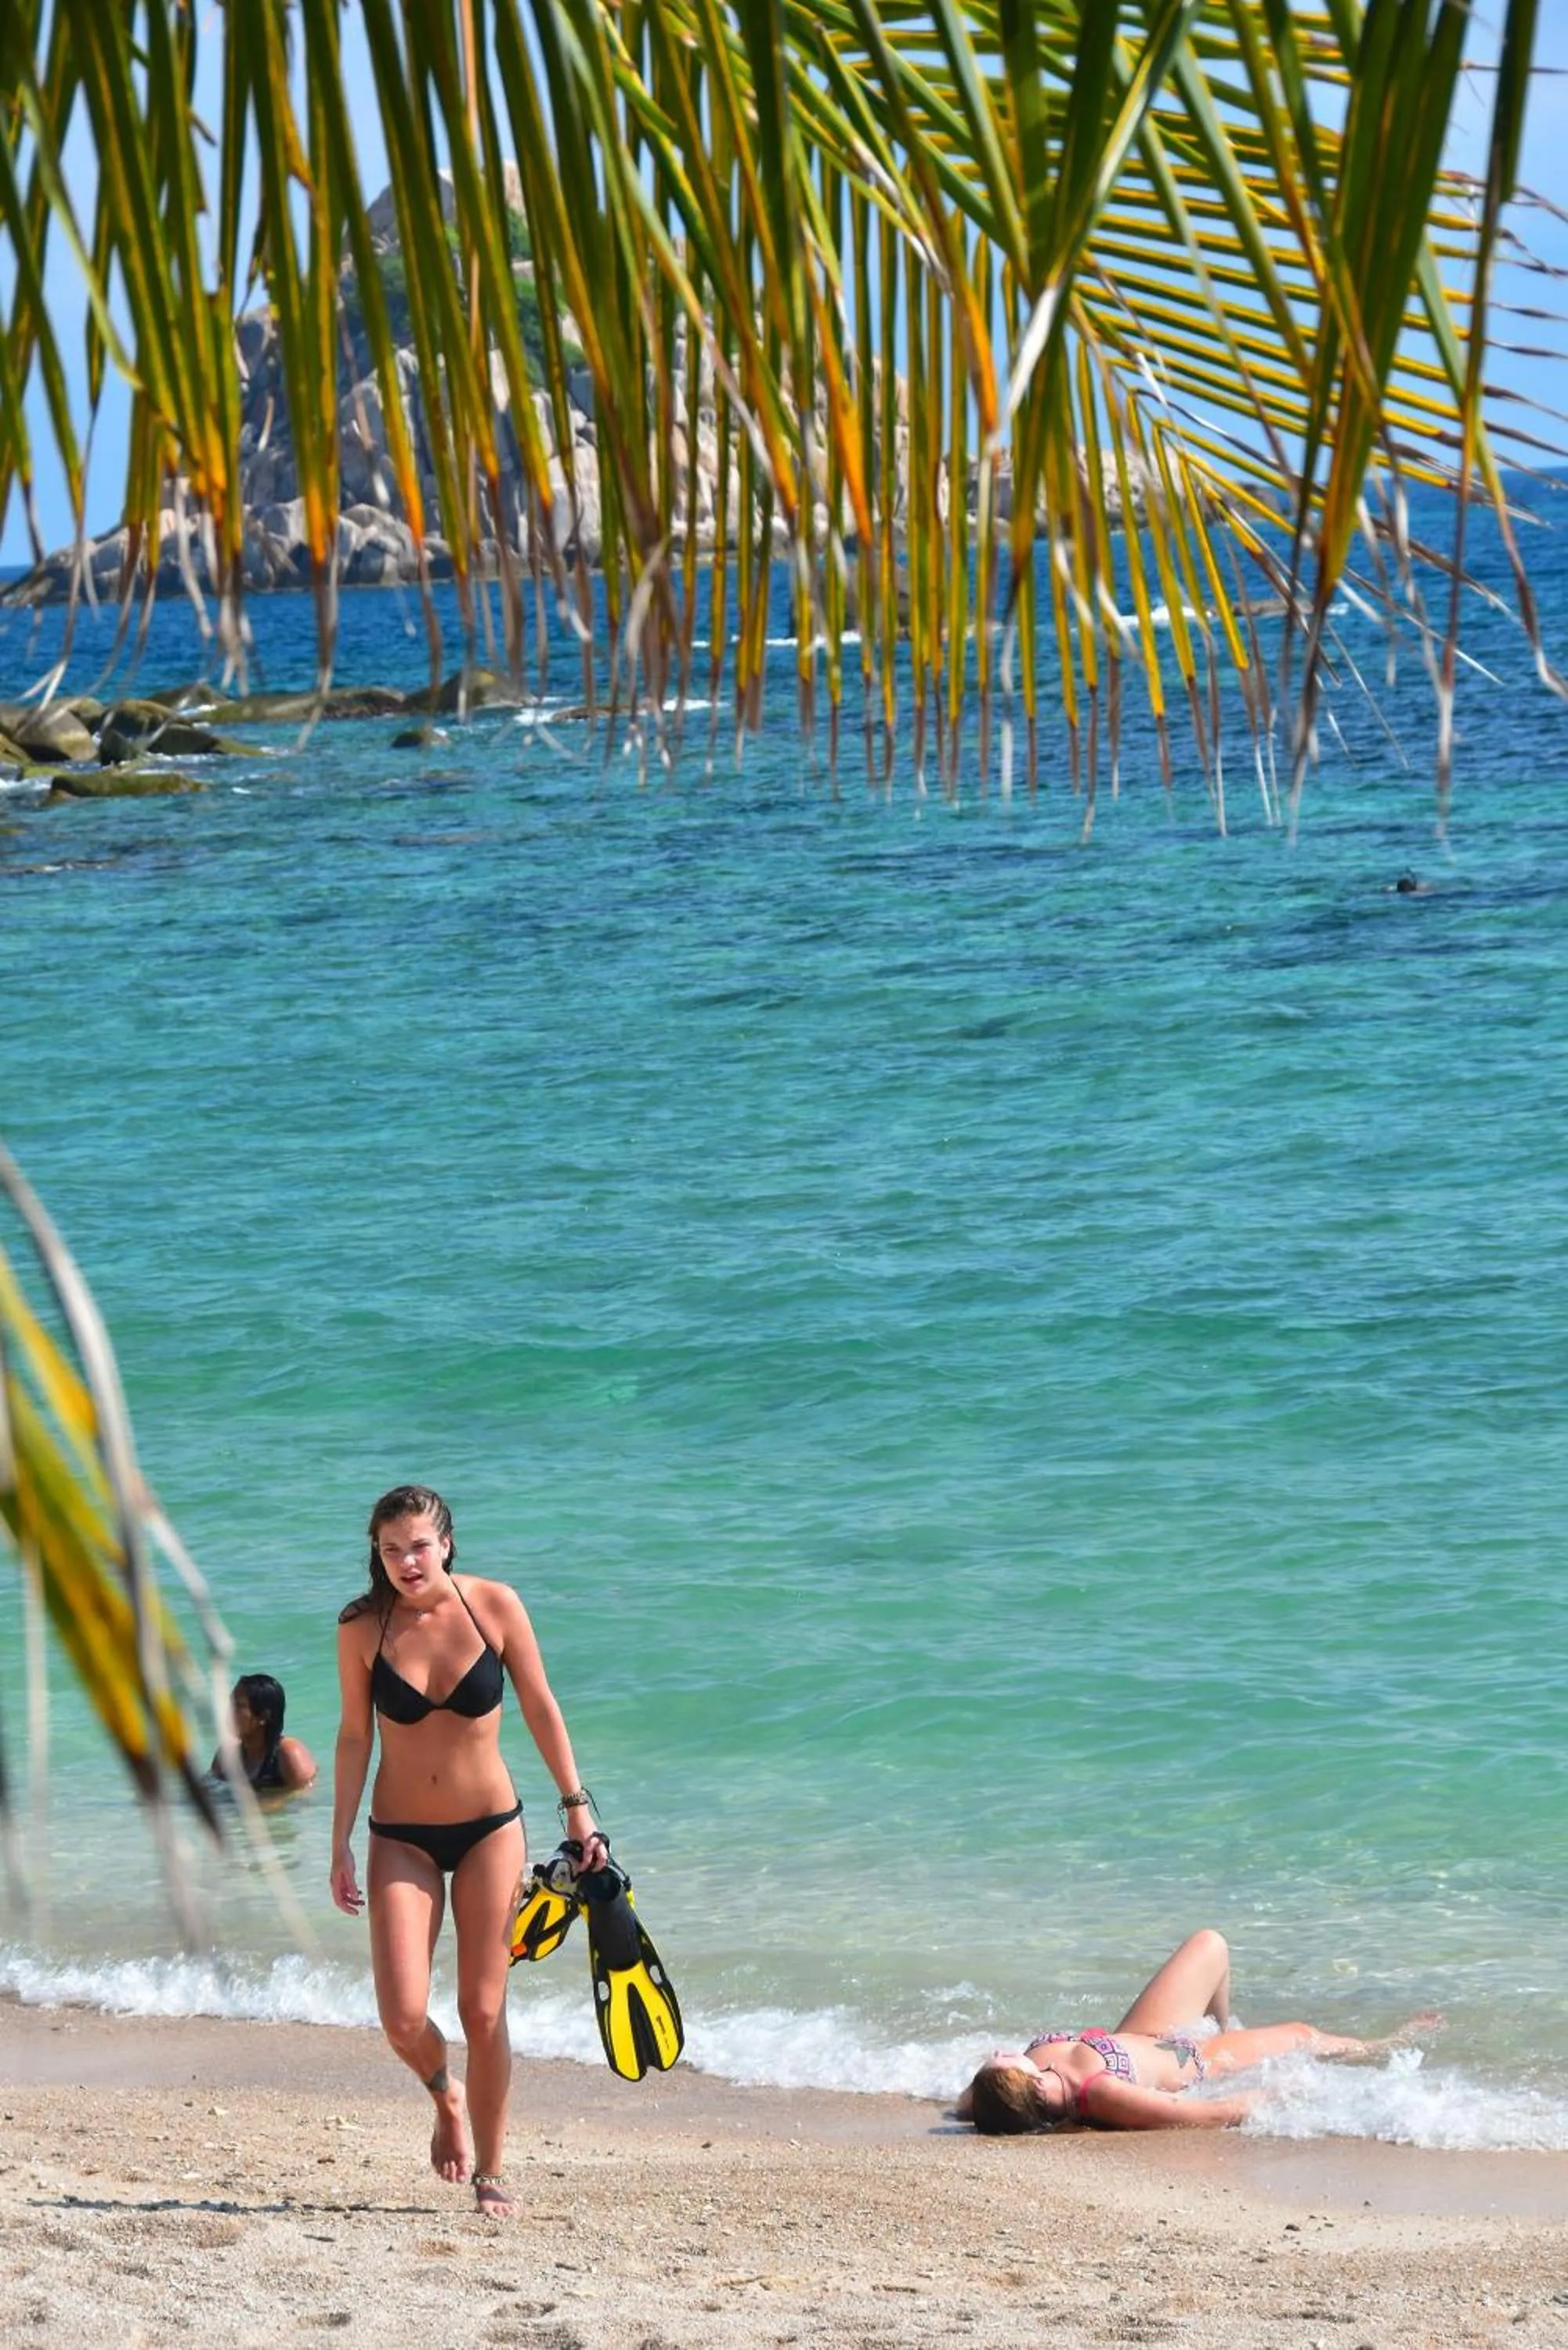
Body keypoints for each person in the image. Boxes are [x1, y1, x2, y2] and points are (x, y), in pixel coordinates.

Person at [330, 1483, 605, 2218]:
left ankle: (490, 2170)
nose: (407, 1562)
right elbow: (354, 1736)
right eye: (391, 1549)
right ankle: (443, 2093)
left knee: (482, 2011)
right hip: (400, 1836)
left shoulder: (495, 1606)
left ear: (446, 1543)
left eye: (419, 1546)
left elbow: (541, 1706)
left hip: (490, 1829)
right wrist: (340, 1842)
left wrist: (578, 1811)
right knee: (401, 2017)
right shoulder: (362, 1628)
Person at [959, 1928, 1445, 2133]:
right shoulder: (1102, 2094)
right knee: (1302, 2034)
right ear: (1028, 2085)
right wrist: (1283, 2092)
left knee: (1210, 1944)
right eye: (1000, 2063)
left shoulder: (998, 2096)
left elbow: (970, 2106)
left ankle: (1227, 2025)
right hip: (1194, 2060)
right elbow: (1205, 2114)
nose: (999, 2053)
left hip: (1144, 2033)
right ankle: (1386, 2044)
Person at [211, 1672, 317, 1791]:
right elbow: (208, 1787)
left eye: (239, 1706)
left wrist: (266, 1802)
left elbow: (304, 1796)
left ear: (264, 1716)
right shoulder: (226, 1755)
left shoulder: (289, 1753)